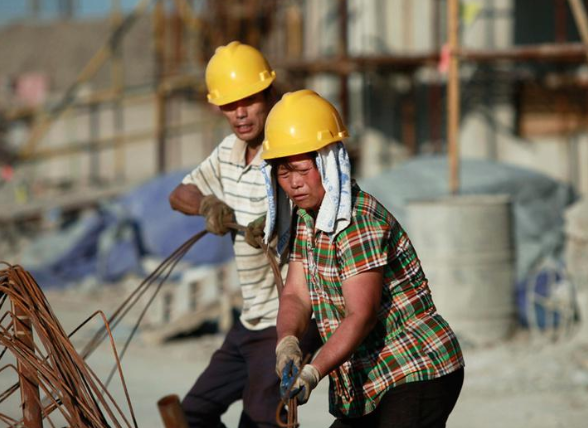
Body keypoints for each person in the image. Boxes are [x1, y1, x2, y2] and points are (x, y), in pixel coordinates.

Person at [259, 90, 465, 428]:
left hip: (414, 368)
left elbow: (361, 314)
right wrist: (288, 342)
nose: (293, 183)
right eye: (283, 173)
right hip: (369, 380)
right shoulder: (307, 221)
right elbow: (296, 293)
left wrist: (312, 372)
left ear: (326, 163)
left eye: (301, 170)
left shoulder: (357, 221)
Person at [169, 42, 321, 428]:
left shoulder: (287, 147)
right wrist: (207, 205)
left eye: (249, 100)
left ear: (268, 94)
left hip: (285, 321)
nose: (239, 113)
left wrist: (274, 222)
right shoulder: (227, 153)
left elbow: (317, 201)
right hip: (249, 320)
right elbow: (179, 194)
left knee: (260, 422)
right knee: (190, 416)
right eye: (229, 105)